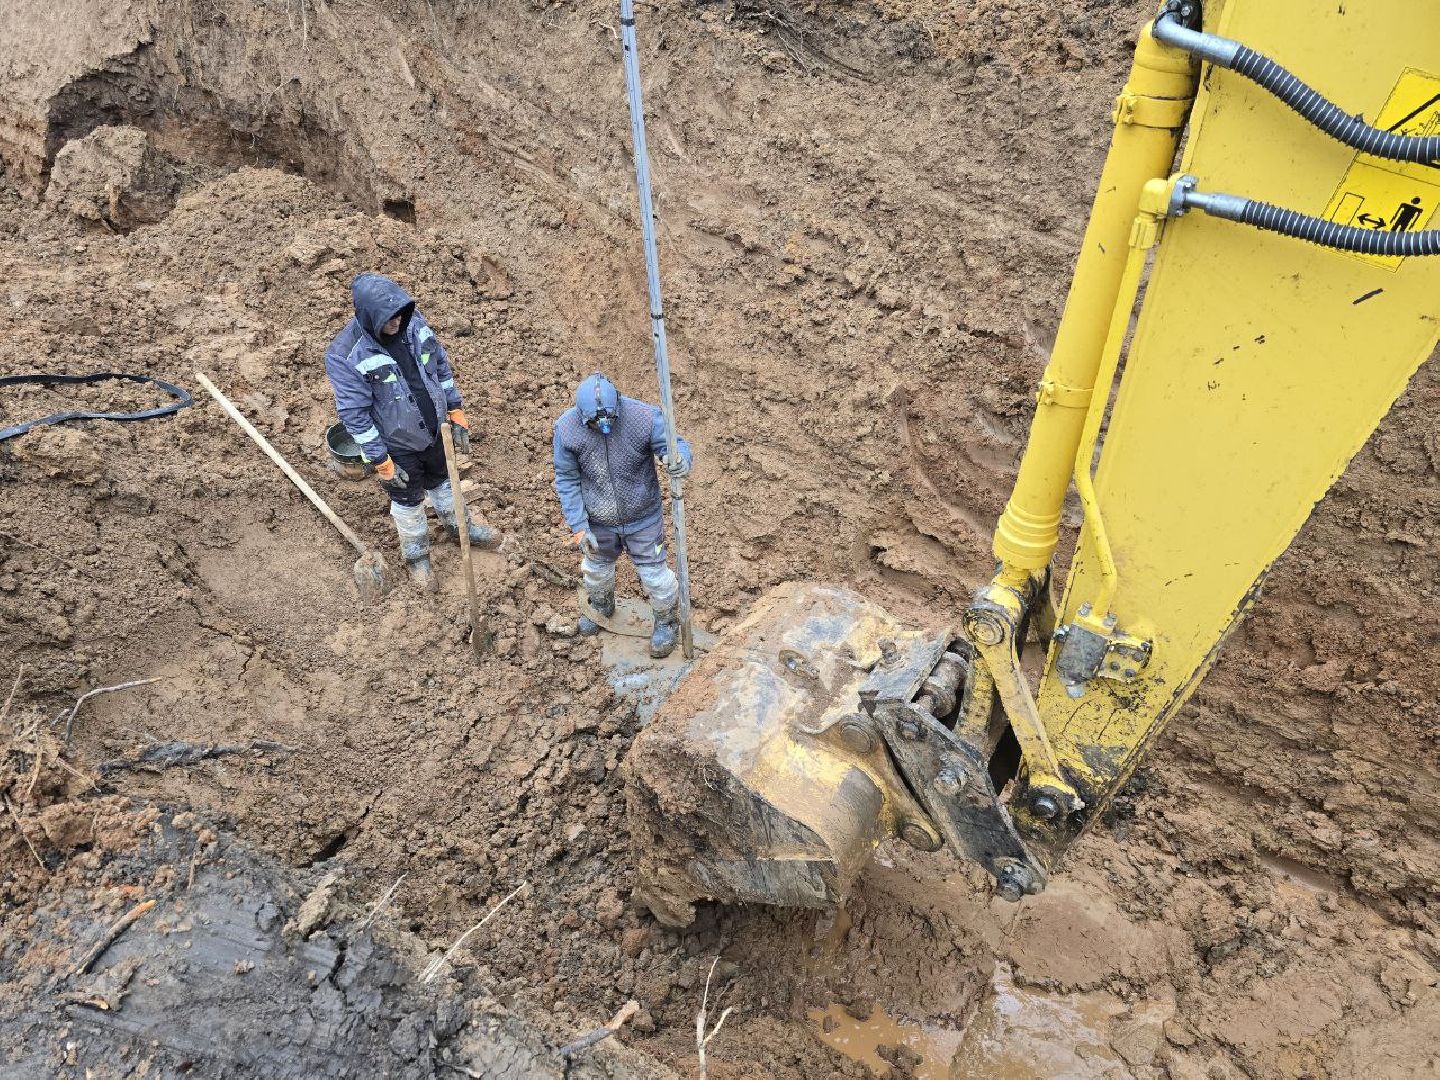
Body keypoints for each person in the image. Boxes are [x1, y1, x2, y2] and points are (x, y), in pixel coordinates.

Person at [326, 272, 499, 590]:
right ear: (369, 319)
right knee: (407, 504)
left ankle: (460, 528)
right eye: (388, 321)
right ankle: (417, 556)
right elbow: (354, 415)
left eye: (400, 316)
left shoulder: (412, 321)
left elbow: (440, 365)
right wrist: (381, 460)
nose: (397, 325)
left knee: (445, 485)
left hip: (435, 432)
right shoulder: (346, 355)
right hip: (396, 446)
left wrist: (455, 409)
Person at [552, 372, 692, 658]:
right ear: (582, 416)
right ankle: (601, 604)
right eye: (594, 423)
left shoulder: (643, 417)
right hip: (598, 521)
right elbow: (566, 479)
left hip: (643, 517)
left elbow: (675, 445)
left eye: (610, 419)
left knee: (656, 577)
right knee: (595, 571)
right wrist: (579, 527)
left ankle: (666, 621)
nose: (604, 427)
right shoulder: (566, 429)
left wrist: (678, 459)